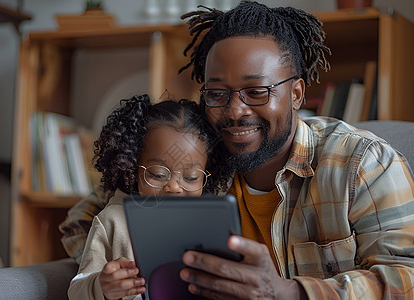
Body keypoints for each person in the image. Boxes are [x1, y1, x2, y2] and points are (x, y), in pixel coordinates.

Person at [61, 1, 414, 299]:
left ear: (296, 94)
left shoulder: (364, 164)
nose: (235, 111)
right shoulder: (195, 159)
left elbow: (407, 280)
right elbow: (82, 222)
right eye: (217, 94)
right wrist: (119, 280)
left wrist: (288, 292)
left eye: (257, 91)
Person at [65, 94, 230, 300]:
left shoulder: (207, 223)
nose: (174, 187)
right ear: (132, 166)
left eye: (190, 177)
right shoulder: (113, 220)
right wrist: (102, 286)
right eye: (158, 174)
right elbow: (77, 290)